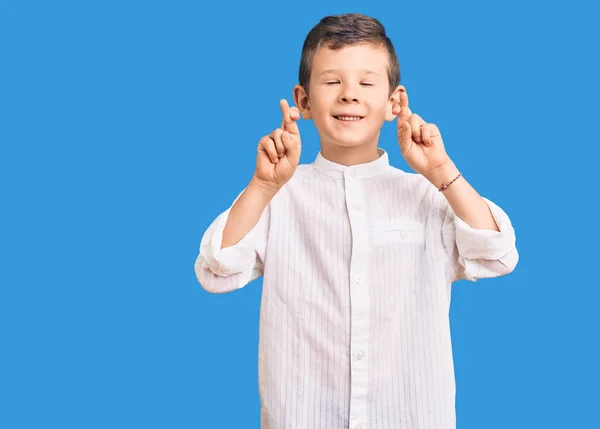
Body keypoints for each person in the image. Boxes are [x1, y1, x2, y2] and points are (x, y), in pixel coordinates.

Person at [194, 13, 518, 429]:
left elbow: (498, 254)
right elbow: (217, 268)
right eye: (332, 82)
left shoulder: (426, 195)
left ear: (393, 102)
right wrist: (260, 185)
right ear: (304, 101)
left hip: (411, 415)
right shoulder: (279, 195)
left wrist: (441, 172)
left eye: (366, 83)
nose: (349, 95)